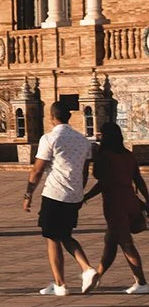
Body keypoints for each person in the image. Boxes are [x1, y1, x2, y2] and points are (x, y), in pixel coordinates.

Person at [23, 98, 96, 296]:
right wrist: (80, 191)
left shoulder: (49, 138)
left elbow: (37, 170)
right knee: (65, 234)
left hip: (55, 193)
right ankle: (87, 269)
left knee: (52, 238)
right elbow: (84, 171)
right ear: (69, 117)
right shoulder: (82, 140)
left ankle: (60, 284)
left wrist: (28, 194)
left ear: (51, 116)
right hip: (74, 194)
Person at [87, 115, 149, 294]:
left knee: (126, 243)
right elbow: (138, 179)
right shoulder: (127, 155)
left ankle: (141, 282)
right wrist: (147, 199)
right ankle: (96, 277)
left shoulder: (105, 156)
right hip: (130, 199)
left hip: (114, 203)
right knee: (111, 242)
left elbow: (102, 180)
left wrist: (86, 196)